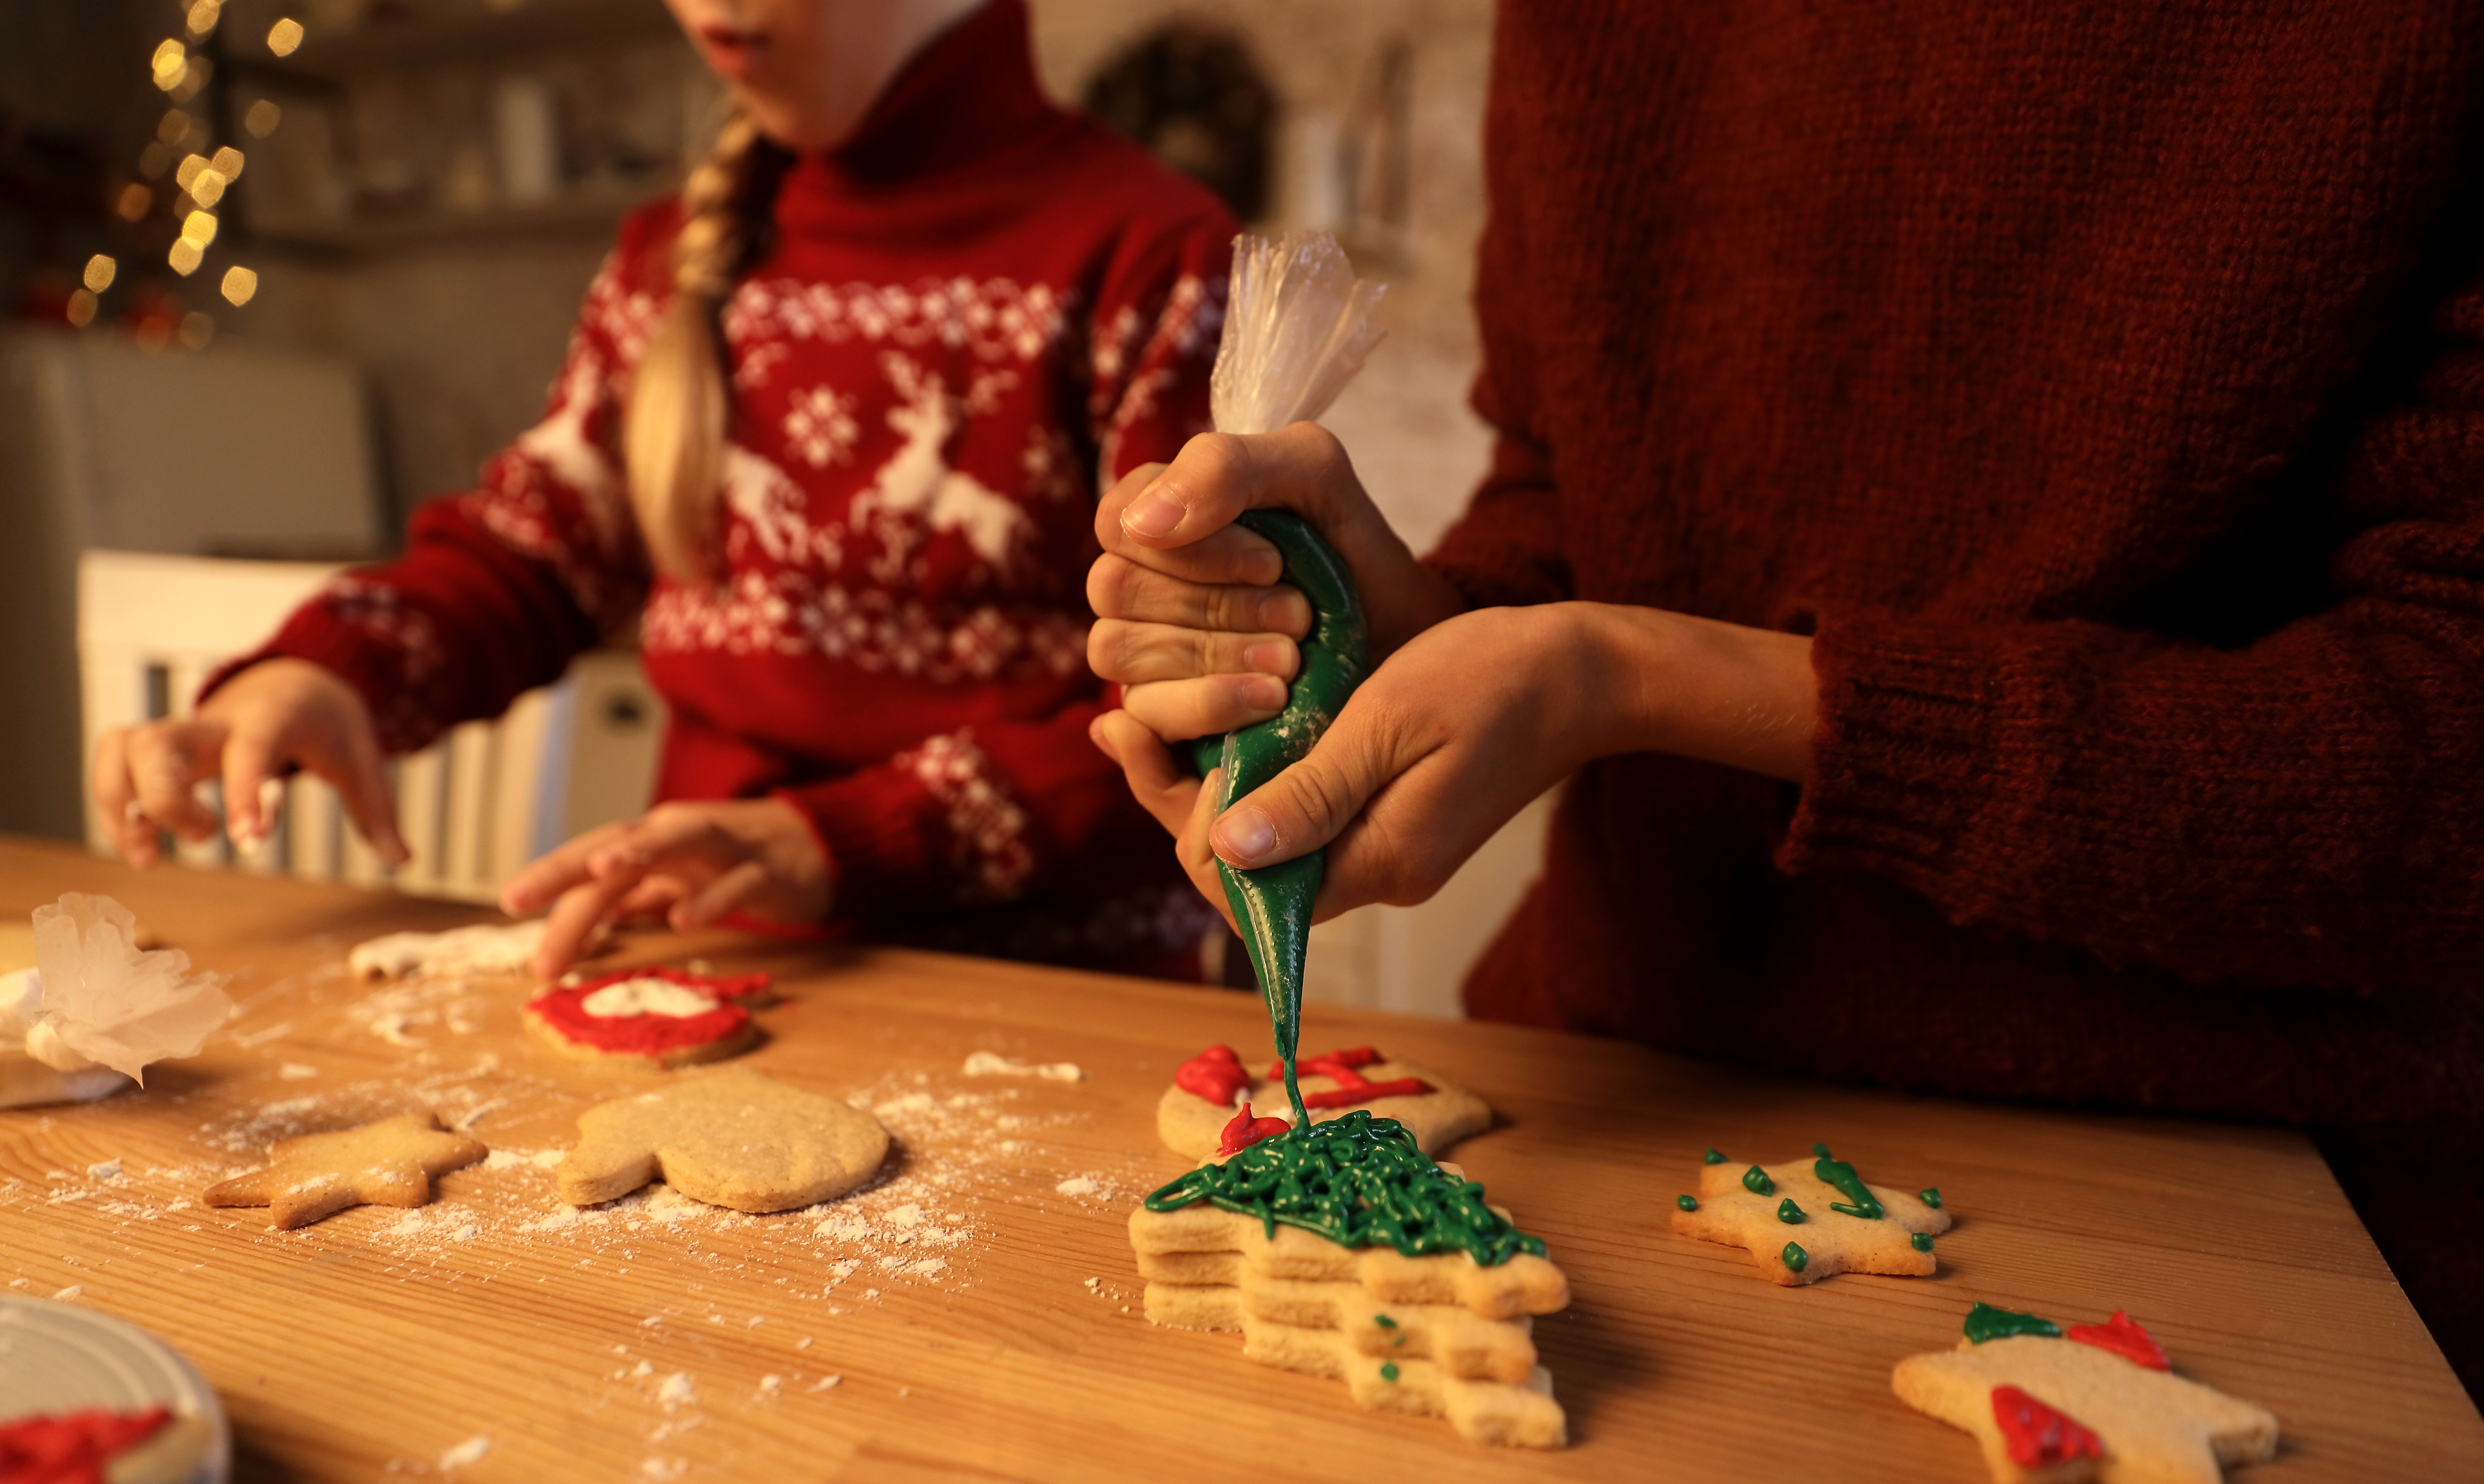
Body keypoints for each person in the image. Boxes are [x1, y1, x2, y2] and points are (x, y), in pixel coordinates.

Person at [1084, 1, 2484, 1392]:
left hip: (2259, 1215)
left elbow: (2443, 751)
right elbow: (1581, 490)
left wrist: (1641, 676)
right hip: (1623, 1090)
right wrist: (1388, 635)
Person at [90, 0, 1237, 982]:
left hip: (1062, 992)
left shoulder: (1153, 258)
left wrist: (837, 841)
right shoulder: (666, 260)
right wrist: (327, 672)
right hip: (722, 958)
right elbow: (529, 553)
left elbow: (1189, 713)